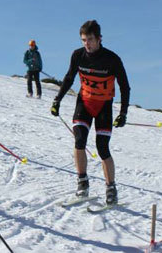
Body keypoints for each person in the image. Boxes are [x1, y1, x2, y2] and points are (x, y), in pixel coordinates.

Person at [50, 20, 130, 206]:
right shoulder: (78, 55)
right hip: (84, 103)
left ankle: (111, 188)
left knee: (102, 148)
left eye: (91, 39)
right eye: (84, 40)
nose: (87, 43)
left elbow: (125, 86)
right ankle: (82, 183)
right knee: (79, 140)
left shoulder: (112, 59)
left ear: (99, 39)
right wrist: (57, 100)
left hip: (103, 106)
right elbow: (69, 77)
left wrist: (124, 112)